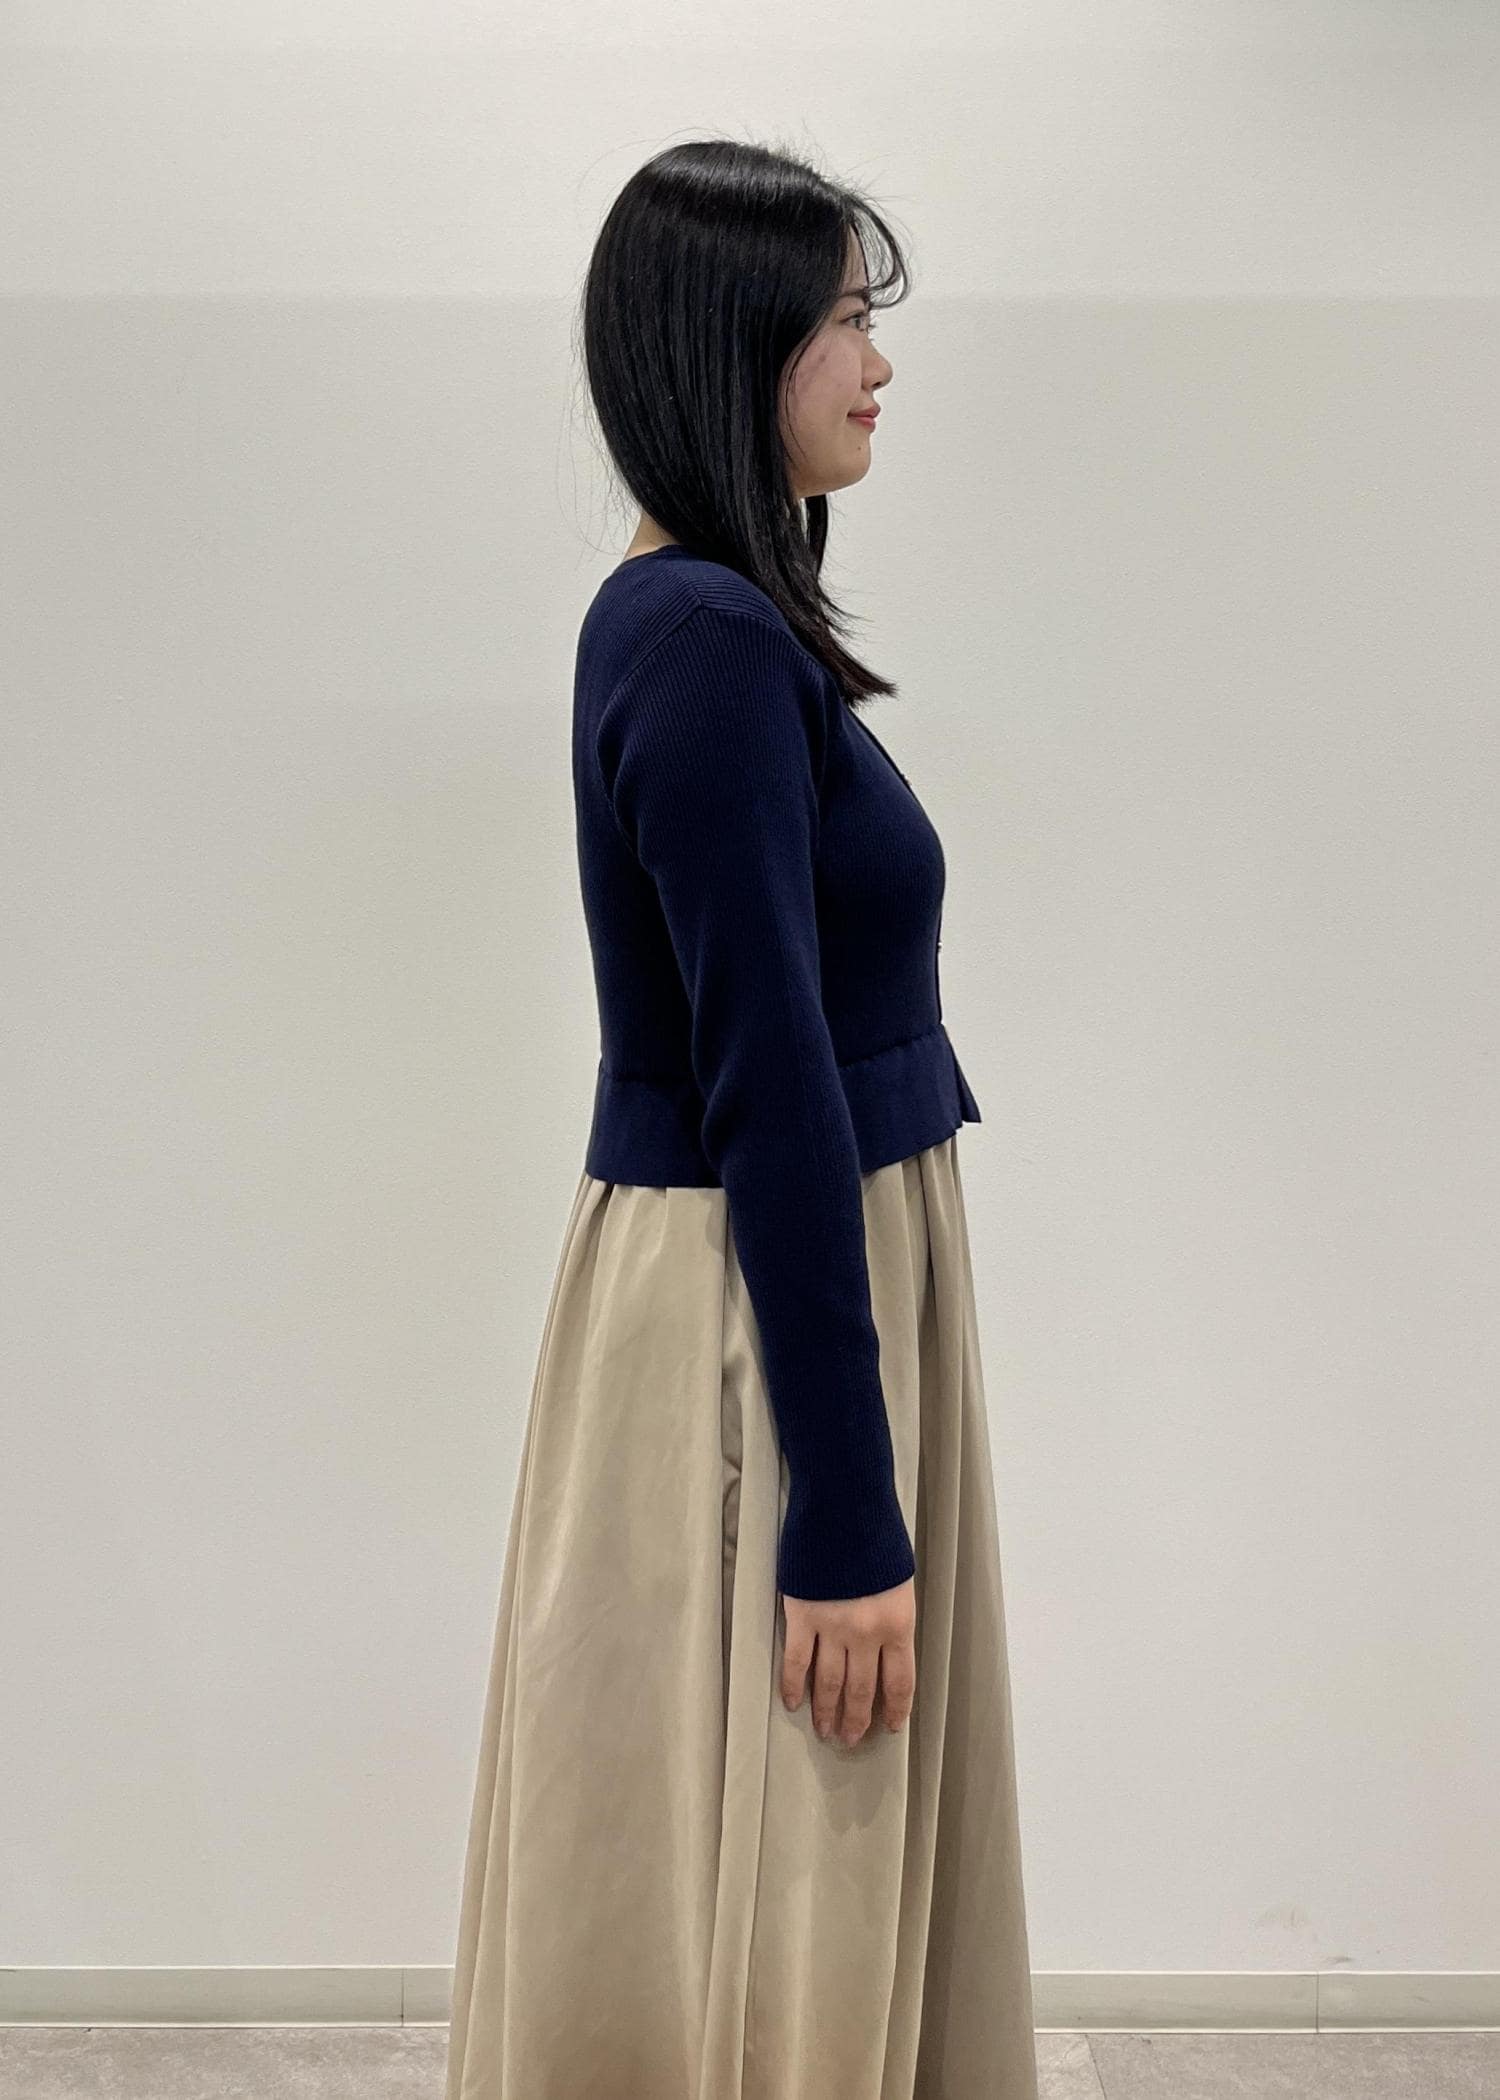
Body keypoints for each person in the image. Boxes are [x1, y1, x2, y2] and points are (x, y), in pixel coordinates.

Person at [444, 135, 1038, 2100]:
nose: (880, 364)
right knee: (774, 1877)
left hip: (781, 1278)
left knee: (772, 1866)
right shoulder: (700, 641)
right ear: (736, 348)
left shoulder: (722, 624)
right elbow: (767, 1079)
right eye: (847, 322)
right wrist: (846, 1512)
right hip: (751, 1315)